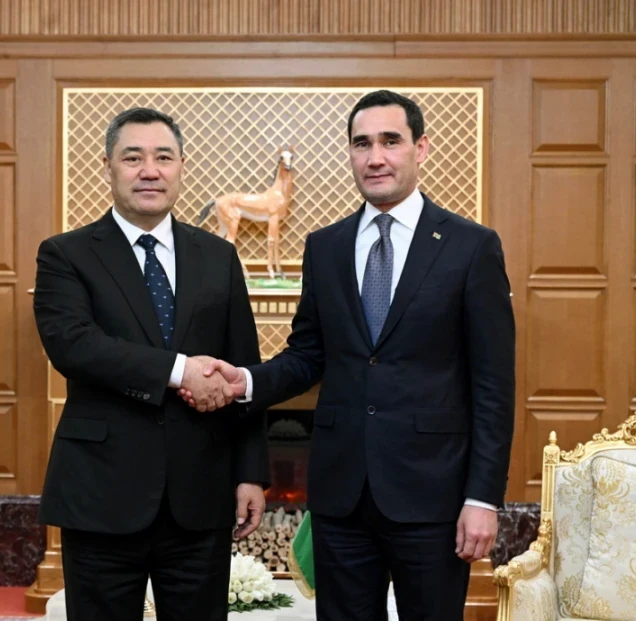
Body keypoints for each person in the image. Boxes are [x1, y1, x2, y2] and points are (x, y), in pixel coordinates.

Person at [182, 90, 515, 620]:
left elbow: (494, 385)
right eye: (362, 144)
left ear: (421, 148)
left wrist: (483, 498)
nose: (375, 157)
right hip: (341, 498)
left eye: (390, 141)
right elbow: (307, 355)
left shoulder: (471, 246)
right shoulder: (326, 246)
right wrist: (246, 381)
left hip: (433, 496)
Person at [33, 107, 270, 621]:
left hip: (200, 494)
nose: (149, 171)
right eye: (132, 158)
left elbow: (243, 369)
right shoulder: (66, 254)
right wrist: (180, 370)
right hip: (101, 494)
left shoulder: (218, 256)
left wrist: (251, 473)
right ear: (108, 166)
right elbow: (74, 345)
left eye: (163, 157)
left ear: (181, 166)